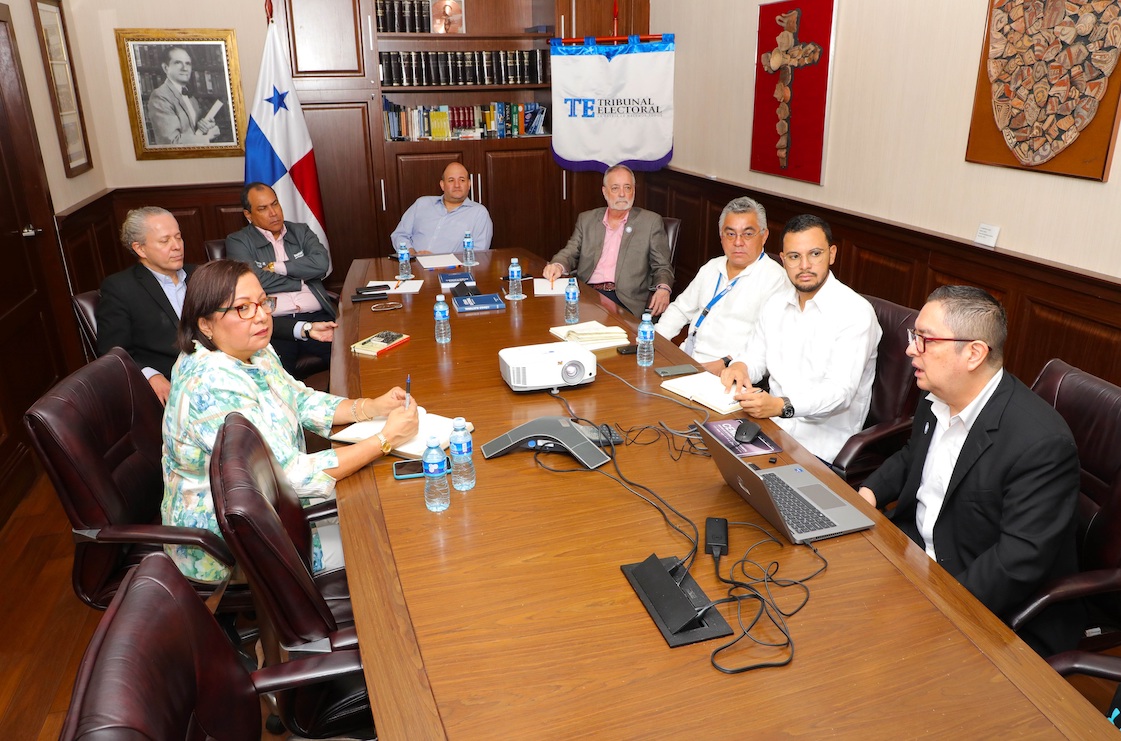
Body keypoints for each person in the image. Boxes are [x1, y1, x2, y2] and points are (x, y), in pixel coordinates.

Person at [161, 259, 420, 583]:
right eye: (243, 308)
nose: (261, 315)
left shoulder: (248, 347)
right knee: (393, 538)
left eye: (262, 302)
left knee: (391, 500)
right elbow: (290, 475)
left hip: (275, 506)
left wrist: (370, 407)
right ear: (206, 324)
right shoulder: (210, 386)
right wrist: (385, 440)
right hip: (232, 541)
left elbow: (298, 398)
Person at [857, 285, 1082, 656]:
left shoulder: (1041, 443)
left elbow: (1015, 563)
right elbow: (912, 456)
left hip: (975, 601)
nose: (911, 349)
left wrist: (930, 608)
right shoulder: (938, 396)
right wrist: (867, 494)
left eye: (925, 339)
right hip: (911, 560)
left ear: (974, 353)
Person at [97, 206, 334, 404]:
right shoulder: (121, 288)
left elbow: (244, 316)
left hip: (228, 370)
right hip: (179, 385)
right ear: (140, 248)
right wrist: (150, 376)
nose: (177, 245)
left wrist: (304, 328)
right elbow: (113, 352)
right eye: (165, 240)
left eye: (178, 237)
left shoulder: (199, 274)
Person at [720, 214, 880, 462]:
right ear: (783, 260)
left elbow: (839, 393)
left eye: (815, 254)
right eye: (794, 257)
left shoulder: (855, 313)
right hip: (769, 429)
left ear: (832, 254)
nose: (805, 265)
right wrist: (740, 367)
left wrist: (781, 406)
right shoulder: (775, 303)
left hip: (820, 448)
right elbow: (754, 357)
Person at [655, 196, 787, 373]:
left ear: (764, 236)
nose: (738, 242)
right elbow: (680, 309)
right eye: (730, 234)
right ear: (721, 236)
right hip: (687, 359)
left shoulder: (775, 279)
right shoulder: (712, 266)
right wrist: (654, 340)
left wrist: (727, 363)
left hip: (728, 371)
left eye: (748, 234)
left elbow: (769, 343)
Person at [225, 182, 336, 377]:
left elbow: (321, 265)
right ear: (248, 215)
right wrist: (301, 280)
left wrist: (278, 268)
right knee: (278, 381)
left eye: (275, 204)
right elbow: (253, 281)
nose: (273, 212)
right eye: (263, 208)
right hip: (273, 324)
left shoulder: (301, 231)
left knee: (348, 361)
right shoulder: (238, 241)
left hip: (317, 316)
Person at [542, 164, 674, 317]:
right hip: (587, 293)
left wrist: (663, 288)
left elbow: (663, 266)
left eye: (627, 188)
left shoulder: (650, 222)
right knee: (550, 315)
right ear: (605, 192)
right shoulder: (587, 219)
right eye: (615, 188)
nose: (622, 194)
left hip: (623, 299)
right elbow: (570, 251)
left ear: (634, 190)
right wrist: (557, 265)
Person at [390, 162, 493, 254]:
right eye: (451, 180)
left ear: (469, 184)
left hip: (451, 272)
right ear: (442, 185)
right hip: (412, 267)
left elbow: (479, 255)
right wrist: (411, 253)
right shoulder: (422, 204)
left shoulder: (479, 213)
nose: (457, 185)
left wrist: (439, 262)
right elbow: (399, 235)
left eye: (462, 180)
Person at [146, 46, 220, 146]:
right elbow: (171, 142)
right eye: (178, 63)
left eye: (188, 63)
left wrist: (206, 127)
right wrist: (207, 138)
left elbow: (193, 132)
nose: (185, 68)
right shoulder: (160, 96)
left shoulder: (190, 96)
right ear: (165, 68)